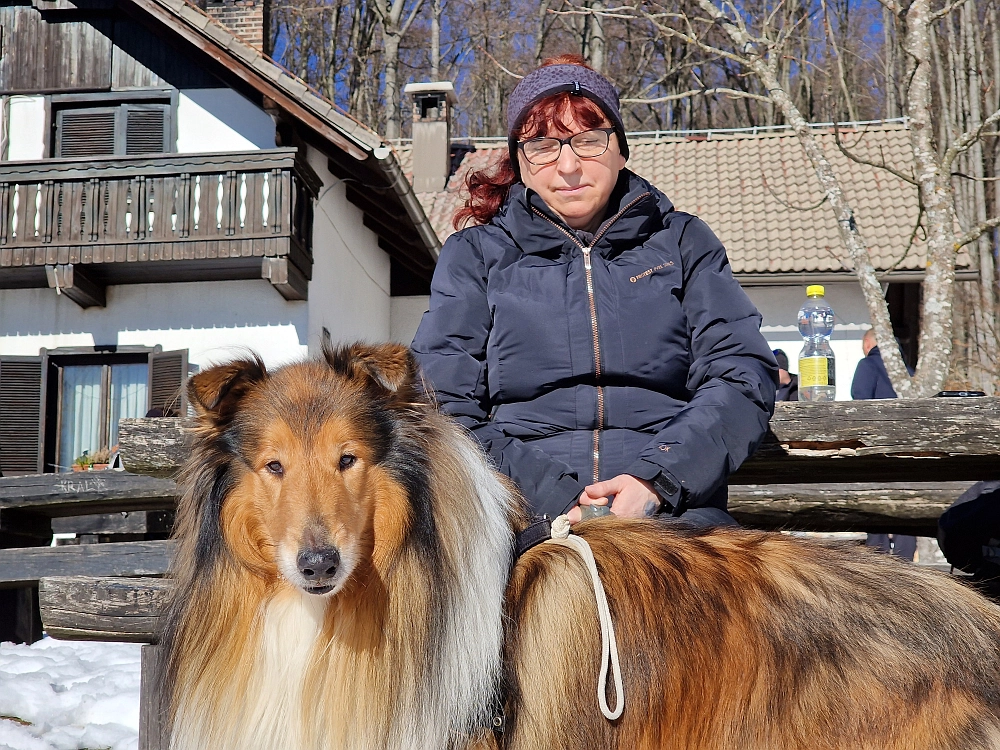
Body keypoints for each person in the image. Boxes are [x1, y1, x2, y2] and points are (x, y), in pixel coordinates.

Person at [411, 55, 777, 527]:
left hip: (671, 508)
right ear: (520, 163)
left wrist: (657, 479)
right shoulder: (476, 256)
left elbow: (741, 373)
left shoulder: (684, 242)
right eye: (542, 145)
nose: (568, 166)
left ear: (620, 150)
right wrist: (551, 496)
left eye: (588, 141)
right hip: (519, 514)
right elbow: (440, 401)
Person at [851, 327, 916, 560]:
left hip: (878, 452)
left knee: (875, 508)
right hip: (908, 452)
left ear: (869, 344)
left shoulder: (868, 365)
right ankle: (905, 567)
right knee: (905, 511)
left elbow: (859, 404)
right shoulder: (907, 371)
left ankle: (879, 567)